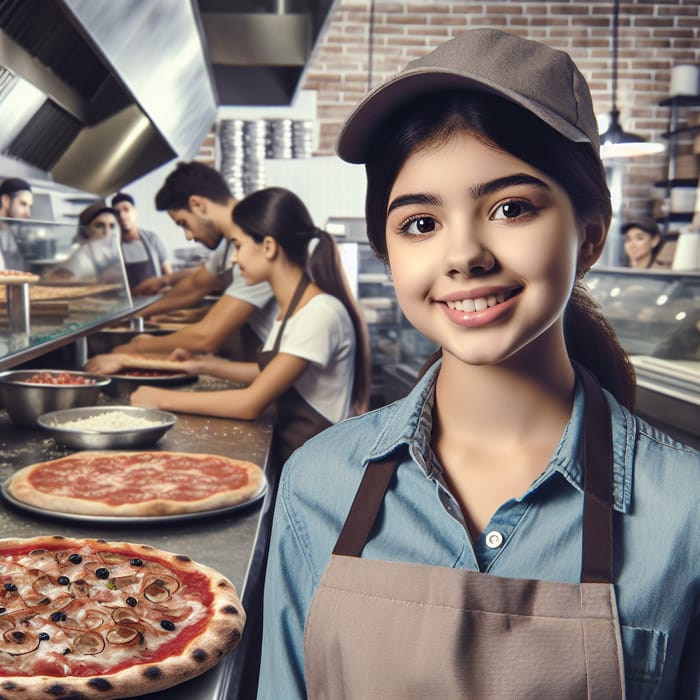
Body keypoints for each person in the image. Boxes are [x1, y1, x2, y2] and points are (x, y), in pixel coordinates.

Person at [257, 29, 700, 699]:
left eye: (511, 208)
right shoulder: (315, 484)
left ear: (590, 231)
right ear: (387, 250)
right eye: (421, 223)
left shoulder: (687, 510)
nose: (464, 254)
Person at [86, 162, 277, 363]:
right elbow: (195, 285)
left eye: (184, 223)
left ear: (197, 205)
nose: (188, 236)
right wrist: (127, 312)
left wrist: (136, 348)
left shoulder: (254, 240)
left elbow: (207, 337)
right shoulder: (231, 241)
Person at [45, 201, 124, 283]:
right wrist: (100, 279)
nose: (107, 232)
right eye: (99, 226)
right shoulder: (79, 259)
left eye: (111, 226)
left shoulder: (106, 253)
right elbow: (55, 283)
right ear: (86, 230)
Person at [110, 192, 172, 289]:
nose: (122, 215)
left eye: (126, 209)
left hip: (157, 298)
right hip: (131, 302)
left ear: (135, 212)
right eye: (117, 212)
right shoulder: (113, 247)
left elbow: (168, 274)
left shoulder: (152, 239)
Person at [0, 177, 33, 270]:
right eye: (23, 204)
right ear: (6, 201)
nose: (28, 213)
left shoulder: (14, 236)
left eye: (29, 207)